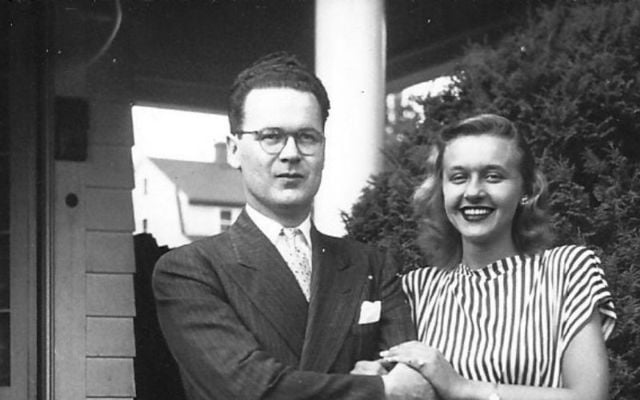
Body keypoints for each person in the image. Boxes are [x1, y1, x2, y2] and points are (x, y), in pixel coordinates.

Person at [152, 52, 434, 400]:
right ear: (234, 150)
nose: (290, 153)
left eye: (307, 137)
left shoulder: (371, 264)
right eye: (271, 136)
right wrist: (377, 388)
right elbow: (249, 387)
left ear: (323, 149)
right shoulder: (190, 270)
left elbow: (409, 380)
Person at [380, 114, 616, 400]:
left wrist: (462, 388)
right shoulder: (415, 290)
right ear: (441, 190)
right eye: (458, 177)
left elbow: (590, 397)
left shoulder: (566, 271)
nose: (474, 192)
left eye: (493, 176)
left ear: (526, 191)